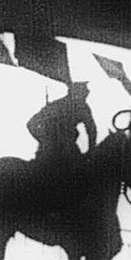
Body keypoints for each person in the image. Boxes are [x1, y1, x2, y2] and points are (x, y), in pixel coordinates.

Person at [26, 81, 97, 210]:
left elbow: (31, 124)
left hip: (50, 149)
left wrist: (43, 140)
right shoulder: (81, 107)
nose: (87, 93)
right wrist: (91, 151)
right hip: (66, 151)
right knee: (83, 178)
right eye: (84, 91)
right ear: (76, 92)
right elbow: (91, 130)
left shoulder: (57, 104)